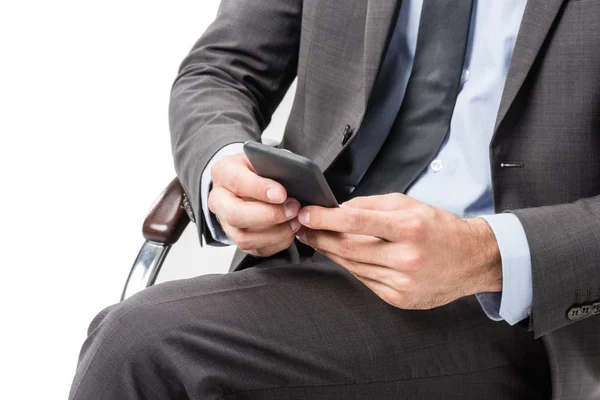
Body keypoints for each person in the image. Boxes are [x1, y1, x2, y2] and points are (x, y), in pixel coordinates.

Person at [69, 0, 600, 398]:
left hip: (525, 312)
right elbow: (221, 70)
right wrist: (224, 165)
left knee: (141, 347)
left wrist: (485, 254)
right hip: (311, 261)